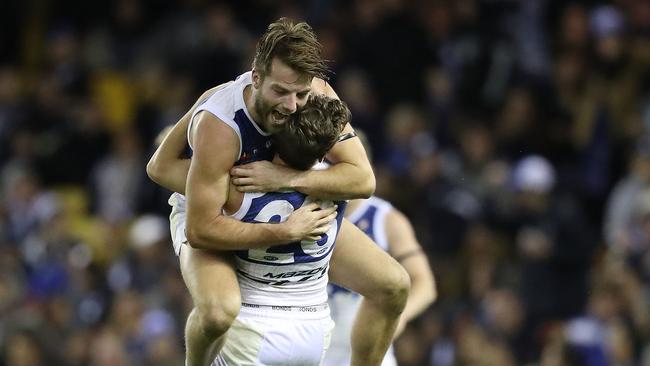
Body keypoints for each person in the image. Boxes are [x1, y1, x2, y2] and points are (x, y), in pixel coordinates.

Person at [147, 18, 409, 366]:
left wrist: (283, 180)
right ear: (256, 78)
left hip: (281, 193)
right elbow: (184, 204)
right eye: (281, 92)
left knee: (393, 285)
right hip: (214, 206)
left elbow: (363, 181)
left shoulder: (318, 94)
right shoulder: (221, 121)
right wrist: (264, 215)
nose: (291, 106)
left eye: (300, 94)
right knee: (218, 313)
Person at [324, 131, 437, 366]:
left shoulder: (385, 219)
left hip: (369, 351)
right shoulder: (309, 210)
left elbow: (425, 283)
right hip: (317, 350)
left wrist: (399, 316)